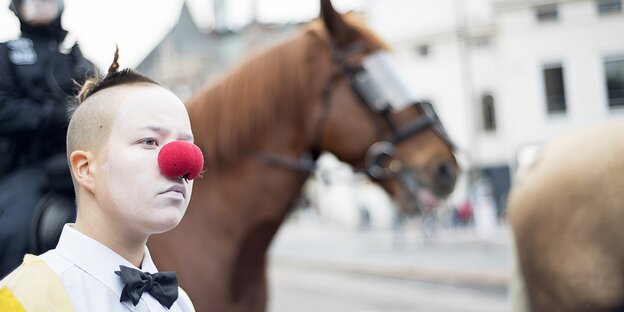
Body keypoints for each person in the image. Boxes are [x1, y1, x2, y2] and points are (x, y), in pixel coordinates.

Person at [0, 49, 202, 311]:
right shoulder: (23, 299)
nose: (185, 163)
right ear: (86, 169)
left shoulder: (179, 303)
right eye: (149, 141)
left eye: (187, 144)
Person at [0, 0, 95, 277]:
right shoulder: (5, 54)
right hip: (28, 166)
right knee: (12, 229)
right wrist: (52, 114)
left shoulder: (78, 58)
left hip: (78, 163)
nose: (42, 4)